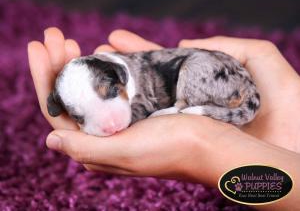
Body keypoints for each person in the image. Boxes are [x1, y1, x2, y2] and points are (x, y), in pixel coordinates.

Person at [28, 27, 300, 210]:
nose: (108, 123)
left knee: (193, 68)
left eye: (110, 95)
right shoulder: (110, 76)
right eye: (80, 116)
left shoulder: (131, 74)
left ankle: (194, 105)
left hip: (211, 77)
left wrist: (207, 150)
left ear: (119, 76)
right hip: (219, 87)